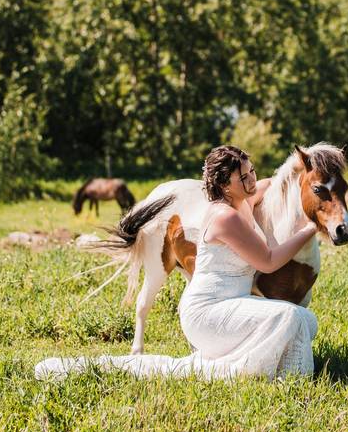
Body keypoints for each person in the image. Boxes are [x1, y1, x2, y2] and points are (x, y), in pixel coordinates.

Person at [34, 145, 319, 381]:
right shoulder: (225, 217)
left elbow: (274, 184)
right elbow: (268, 262)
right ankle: (284, 380)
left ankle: (252, 361)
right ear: (223, 185)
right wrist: (310, 228)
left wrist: (298, 169)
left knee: (308, 321)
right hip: (207, 312)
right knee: (291, 317)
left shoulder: (242, 200)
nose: (252, 180)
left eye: (251, 171)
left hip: (232, 303)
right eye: (243, 177)